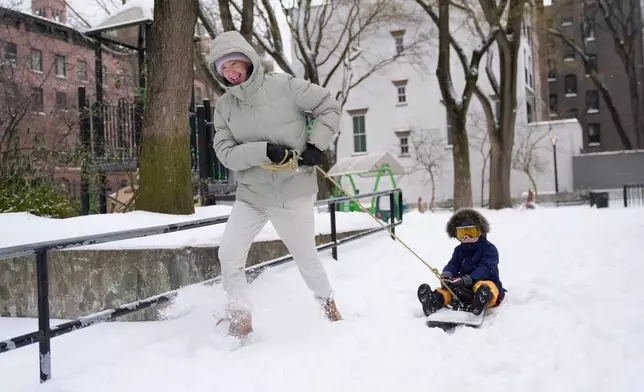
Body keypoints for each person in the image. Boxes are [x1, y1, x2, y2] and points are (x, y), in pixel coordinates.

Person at [207, 31, 342, 339]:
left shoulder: (283, 85)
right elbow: (224, 153)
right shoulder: (224, 107)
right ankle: (240, 319)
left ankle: (329, 308)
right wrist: (263, 150)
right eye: (222, 68)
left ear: (247, 59)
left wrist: (316, 146)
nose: (229, 72)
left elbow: (328, 106)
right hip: (252, 194)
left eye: (233, 63)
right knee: (228, 254)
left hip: (292, 189)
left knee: (305, 256)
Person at [417, 208, 506, 316]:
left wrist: (469, 279)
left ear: (480, 232)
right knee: (449, 291)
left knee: (485, 286)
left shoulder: (489, 249)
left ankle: (481, 300)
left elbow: (486, 268)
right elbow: (453, 264)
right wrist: (447, 275)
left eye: (471, 233)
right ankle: (434, 300)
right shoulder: (459, 250)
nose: (466, 237)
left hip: (485, 282)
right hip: (463, 286)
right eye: (462, 234)